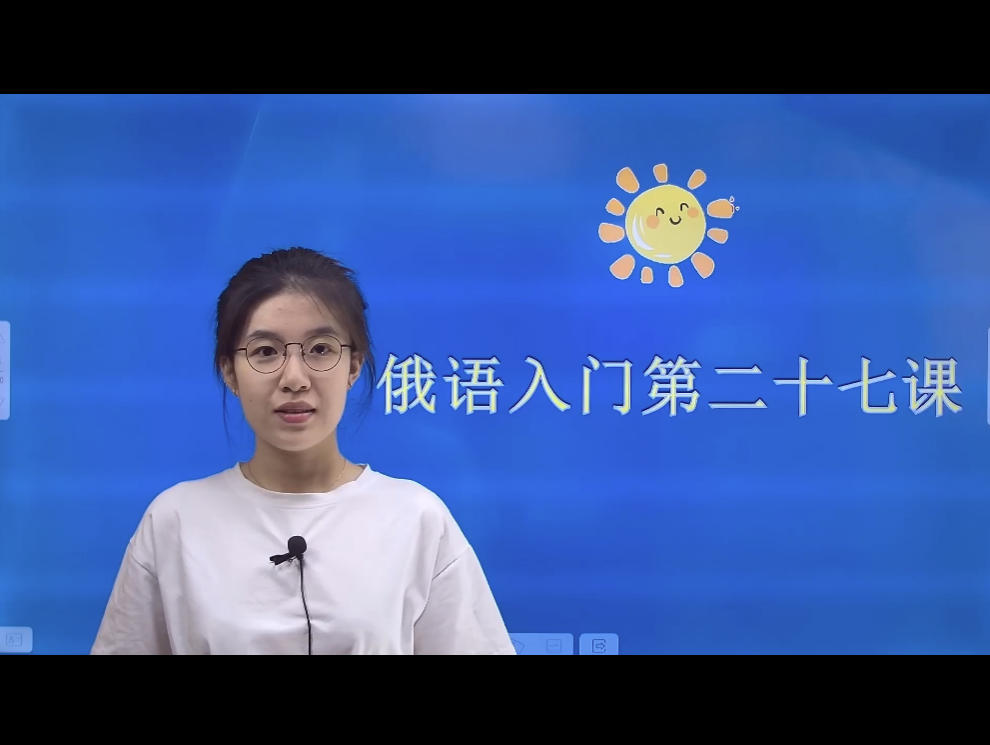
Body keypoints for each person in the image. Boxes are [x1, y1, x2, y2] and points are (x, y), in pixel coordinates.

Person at [91, 247, 515, 654]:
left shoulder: (416, 518)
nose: (294, 378)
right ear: (229, 371)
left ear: (353, 366)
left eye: (320, 350)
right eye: (265, 352)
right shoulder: (176, 520)